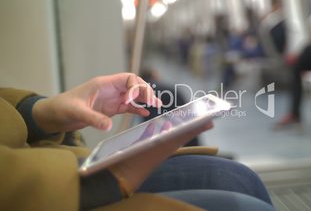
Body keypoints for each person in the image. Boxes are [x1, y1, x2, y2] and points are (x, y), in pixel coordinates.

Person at [0, 72, 275, 211]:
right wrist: (109, 178)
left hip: (40, 158)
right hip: (37, 190)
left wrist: (41, 113)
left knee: (237, 177)